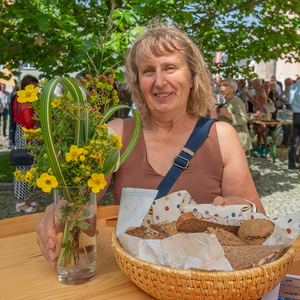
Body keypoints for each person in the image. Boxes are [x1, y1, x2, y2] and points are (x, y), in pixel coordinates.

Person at [36, 23, 265, 266]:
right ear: (137, 82)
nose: (159, 81)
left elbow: (260, 228)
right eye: (148, 71)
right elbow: (82, 203)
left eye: (170, 68)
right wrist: (57, 211)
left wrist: (242, 209)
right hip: (134, 276)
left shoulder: (221, 136)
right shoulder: (116, 134)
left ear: (192, 76)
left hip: (205, 279)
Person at [13, 75, 39, 213]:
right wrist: (41, 119)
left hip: (25, 134)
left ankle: (26, 197)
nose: (36, 90)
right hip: (26, 135)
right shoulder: (25, 100)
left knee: (29, 167)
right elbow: (29, 121)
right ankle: (19, 202)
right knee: (23, 168)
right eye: (33, 87)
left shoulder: (21, 97)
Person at [210, 78, 252, 152]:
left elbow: (243, 119)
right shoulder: (225, 102)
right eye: (221, 85)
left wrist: (227, 114)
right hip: (229, 139)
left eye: (225, 85)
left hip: (238, 140)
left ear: (233, 89)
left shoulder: (237, 101)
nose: (221, 87)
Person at [245, 78, 267, 147]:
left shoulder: (262, 91)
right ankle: (259, 144)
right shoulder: (255, 91)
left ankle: (266, 144)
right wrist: (248, 96)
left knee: (262, 129)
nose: (251, 85)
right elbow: (253, 102)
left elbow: (264, 101)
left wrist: (257, 97)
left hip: (261, 112)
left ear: (257, 84)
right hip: (255, 112)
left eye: (253, 84)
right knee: (258, 129)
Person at [277, 78, 294, 148]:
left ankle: (285, 142)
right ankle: (288, 142)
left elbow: (284, 99)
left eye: (285, 83)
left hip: (288, 108)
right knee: (289, 126)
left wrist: (278, 96)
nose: (284, 84)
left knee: (287, 126)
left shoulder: (289, 88)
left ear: (287, 83)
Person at [288, 80, 300, 172]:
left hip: (296, 114)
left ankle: (291, 165)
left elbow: (290, 101)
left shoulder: (293, 87)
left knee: (294, 140)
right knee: (294, 140)